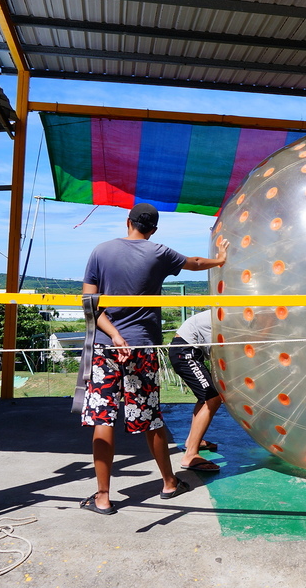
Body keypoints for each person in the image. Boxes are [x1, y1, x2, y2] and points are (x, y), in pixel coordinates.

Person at [80, 203, 229, 515]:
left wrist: (115, 335)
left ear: (128, 222)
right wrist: (221, 259)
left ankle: (103, 497)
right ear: (154, 229)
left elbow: (89, 303)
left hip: (106, 349)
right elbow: (195, 262)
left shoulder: (100, 252)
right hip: (142, 349)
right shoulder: (159, 252)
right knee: (150, 418)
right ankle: (169, 482)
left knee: (102, 420)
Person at [167, 310, 222, 472]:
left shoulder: (229, 314)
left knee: (205, 396)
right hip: (185, 351)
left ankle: (192, 441)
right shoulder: (226, 318)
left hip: (189, 352)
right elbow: (220, 354)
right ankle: (190, 455)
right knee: (212, 398)